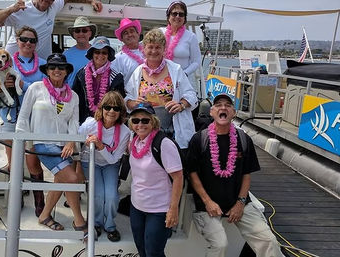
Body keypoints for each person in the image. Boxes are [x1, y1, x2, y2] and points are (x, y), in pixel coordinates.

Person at [186, 94, 285, 257]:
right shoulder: (199, 139)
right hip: (206, 206)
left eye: (227, 105)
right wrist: (208, 201)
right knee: (220, 244)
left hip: (240, 203)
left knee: (269, 241)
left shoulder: (243, 139)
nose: (223, 108)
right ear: (211, 112)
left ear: (234, 113)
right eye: (218, 105)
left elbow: (246, 174)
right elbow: (192, 174)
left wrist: (240, 203)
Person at [16, 53, 88, 237]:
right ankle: (79, 219)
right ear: (47, 70)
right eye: (53, 67)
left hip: (64, 145)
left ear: (66, 72)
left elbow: (74, 123)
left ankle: (45, 215)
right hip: (43, 143)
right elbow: (23, 117)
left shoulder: (73, 96)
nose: (57, 70)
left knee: (60, 179)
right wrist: (23, 141)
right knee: (72, 179)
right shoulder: (36, 88)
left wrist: (71, 141)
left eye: (61, 68)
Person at [0, 27, 47, 217]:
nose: (27, 43)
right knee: (13, 161)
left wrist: (22, 85)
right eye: (23, 39)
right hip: (8, 115)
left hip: (32, 118)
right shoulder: (3, 61)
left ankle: (39, 202)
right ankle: (16, 199)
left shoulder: (44, 65)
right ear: (18, 41)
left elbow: (46, 90)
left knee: (32, 161)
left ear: (36, 43)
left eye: (32, 40)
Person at [125, 28, 197, 154]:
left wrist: (181, 105)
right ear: (144, 49)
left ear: (164, 49)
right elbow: (127, 99)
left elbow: (191, 94)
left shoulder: (175, 69)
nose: (153, 51)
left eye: (158, 47)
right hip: (145, 131)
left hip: (172, 131)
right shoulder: (138, 72)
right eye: (150, 47)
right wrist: (133, 103)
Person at [128, 103, 183, 257]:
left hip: (159, 209)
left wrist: (173, 209)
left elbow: (178, 177)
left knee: (154, 252)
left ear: (153, 122)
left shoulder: (164, 144)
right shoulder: (134, 140)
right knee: (142, 249)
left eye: (145, 120)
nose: (140, 124)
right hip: (137, 207)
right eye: (136, 120)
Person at [78, 91, 130, 242]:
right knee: (98, 195)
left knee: (112, 197)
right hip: (90, 162)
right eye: (108, 107)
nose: (112, 111)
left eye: (116, 108)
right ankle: (96, 223)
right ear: (101, 109)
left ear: (121, 112)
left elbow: (114, 160)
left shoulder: (125, 132)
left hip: (110, 165)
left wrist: (100, 147)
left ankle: (110, 225)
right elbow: (76, 138)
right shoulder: (90, 124)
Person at [0, 0, 103, 59]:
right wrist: (11, 10)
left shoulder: (53, 6)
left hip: (41, 64)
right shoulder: (22, 9)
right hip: (14, 60)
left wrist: (91, 1)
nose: (47, 1)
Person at [73, 36, 125, 124]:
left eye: (104, 53)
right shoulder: (81, 74)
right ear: (92, 54)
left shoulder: (117, 77)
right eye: (97, 52)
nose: (100, 55)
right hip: (83, 122)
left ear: (108, 56)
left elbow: (119, 104)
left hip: (107, 123)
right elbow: (75, 99)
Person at [160, 1, 201, 90]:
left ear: (184, 18)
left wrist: (184, 73)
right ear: (169, 16)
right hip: (161, 79)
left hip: (182, 81)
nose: (177, 16)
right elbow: (145, 48)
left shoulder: (191, 37)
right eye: (174, 13)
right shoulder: (160, 33)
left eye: (181, 14)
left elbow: (196, 61)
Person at [64, 16, 97, 86]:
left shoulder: (98, 53)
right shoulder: (66, 54)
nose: (81, 33)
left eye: (84, 30)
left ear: (90, 33)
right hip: (71, 95)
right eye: (77, 31)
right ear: (74, 34)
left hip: (92, 95)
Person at [111, 18, 145, 86]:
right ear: (122, 39)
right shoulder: (117, 58)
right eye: (126, 33)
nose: (129, 35)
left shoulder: (149, 52)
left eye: (132, 31)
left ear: (138, 34)